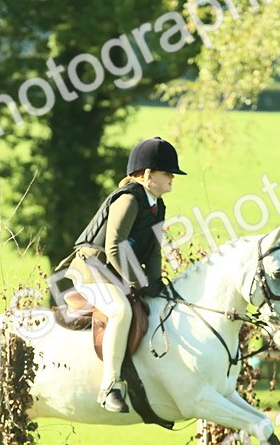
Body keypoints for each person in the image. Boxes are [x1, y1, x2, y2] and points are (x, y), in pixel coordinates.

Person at [55, 136, 184, 412]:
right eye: (167, 172)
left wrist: (156, 283)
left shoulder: (157, 205)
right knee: (120, 311)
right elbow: (114, 247)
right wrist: (139, 281)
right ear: (149, 176)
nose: (172, 177)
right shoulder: (129, 200)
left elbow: (153, 250)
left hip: (115, 270)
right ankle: (110, 386)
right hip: (93, 268)